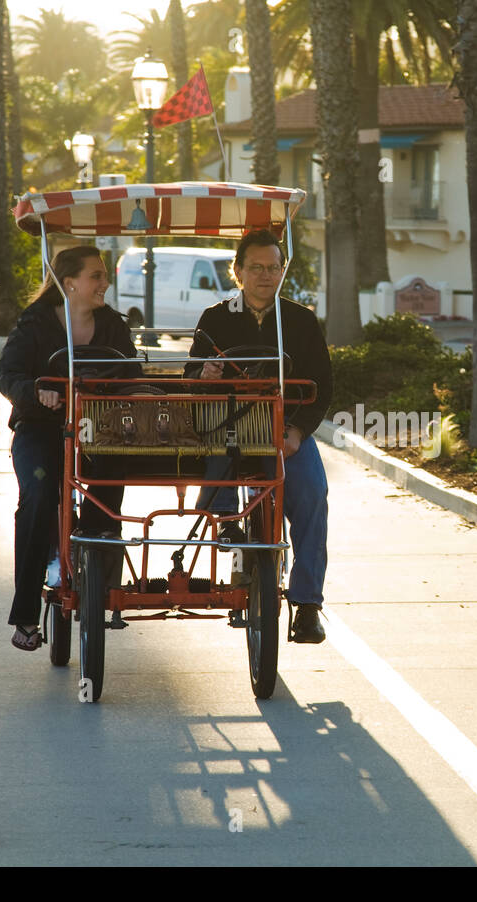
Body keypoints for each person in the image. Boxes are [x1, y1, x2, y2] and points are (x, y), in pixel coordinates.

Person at [187, 229, 332, 644]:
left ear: (283, 270)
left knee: (313, 495)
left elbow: (322, 385)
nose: (265, 276)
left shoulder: (301, 321)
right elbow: (190, 377)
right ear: (238, 271)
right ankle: (226, 526)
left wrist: (298, 431)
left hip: (282, 430)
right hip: (225, 427)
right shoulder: (215, 318)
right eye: (256, 268)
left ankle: (307, 606)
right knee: (219, 471)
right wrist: (204, 375)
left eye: (273, 268)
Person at [0, 245, 137, 651]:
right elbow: (7, 374)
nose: (104, 283)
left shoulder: (112, 325)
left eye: (104, 275)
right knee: (38, 497)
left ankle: (104, 584)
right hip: (41, 428)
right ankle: (25, 615)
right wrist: (37, 392)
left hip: (99, 431)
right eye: (96, 275)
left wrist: (120, 391)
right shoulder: (35, 323)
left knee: (108, 490)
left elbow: (133, 373)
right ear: (69, 282)